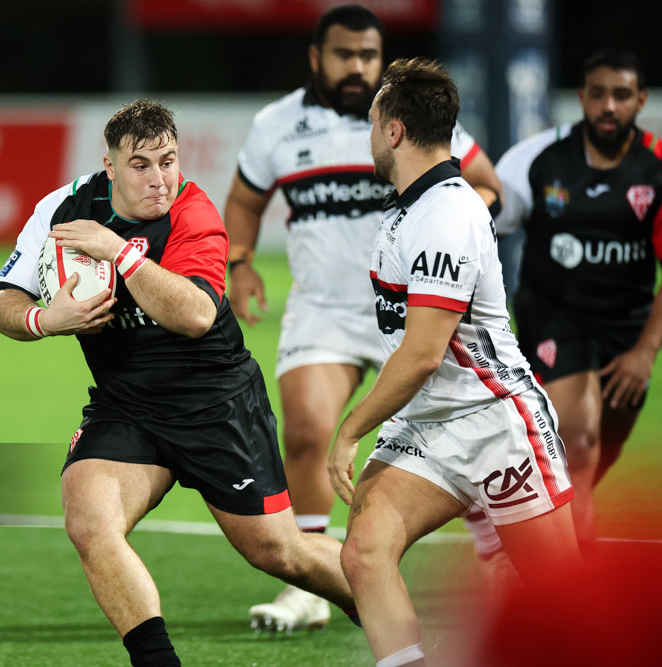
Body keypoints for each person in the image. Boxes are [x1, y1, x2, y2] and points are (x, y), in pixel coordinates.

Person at [0, 99, 358, 667]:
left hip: (216, 404)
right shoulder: (63, 209)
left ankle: (381, 604)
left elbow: (194, 316)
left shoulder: (195, 214)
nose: (159, 179)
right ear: (109, 167)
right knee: (90, 521)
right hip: (127, 406)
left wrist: (119, 253)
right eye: (141, 165)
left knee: (279, 552)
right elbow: (0, 303)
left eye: (168, 161)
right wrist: (45, 319)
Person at [224, 4, 503, 633]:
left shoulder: (413, 118)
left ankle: (496, 560)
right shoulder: (277, 125)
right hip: (323, 308)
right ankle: (311, 584)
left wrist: (455, 226)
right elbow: (243, 200)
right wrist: (240, 262)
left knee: (463, 431)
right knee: (304, 431)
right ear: (316, 59)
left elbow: (488, 185)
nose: (358, 67)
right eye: (345, 55)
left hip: (415, 313)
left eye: (369, 56)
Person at [326, 59, 583, 667]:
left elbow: (421, 355)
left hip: (497, 425)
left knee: (563, 606)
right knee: (364, 551)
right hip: (428, 428)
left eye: (371, 123)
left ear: (393, 131)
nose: (368, 136)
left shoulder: (447, 212)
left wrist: (351, 430)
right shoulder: (407, 206)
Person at [468, 49, 662, 568]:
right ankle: (571, 587)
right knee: (577, 442)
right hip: (555, 316)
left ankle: (510, 518)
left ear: (640, 101)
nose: (608, 105)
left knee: (592, 462)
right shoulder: (536, 160)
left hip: (627, 328)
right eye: (597, 93)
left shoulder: (657, 168)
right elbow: (479, 226)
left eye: (621, 95)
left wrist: (645, 351)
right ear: (580, 97)